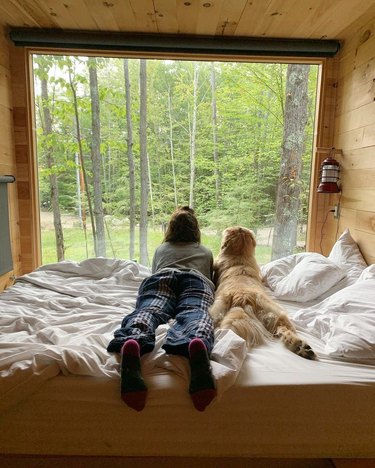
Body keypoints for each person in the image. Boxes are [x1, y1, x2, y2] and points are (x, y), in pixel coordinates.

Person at [107, 206, 216, 412]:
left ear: (170, 229)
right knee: (195, 312)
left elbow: (155, 269)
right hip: (196, 280)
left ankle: (134, 340)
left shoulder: (161, 249)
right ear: (196, 230)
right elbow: (211, 278)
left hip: (162, 277)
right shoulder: (205, 251)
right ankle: (196, 341)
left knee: (149, 309)